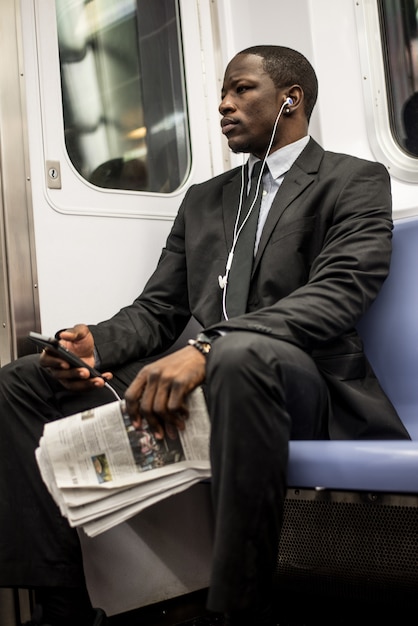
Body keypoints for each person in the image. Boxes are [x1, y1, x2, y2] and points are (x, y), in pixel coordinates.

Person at [0, 45, 410, 626]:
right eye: (223, 91)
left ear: (290, 99)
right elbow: (159, 309)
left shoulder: (353, 180)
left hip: (303, 382)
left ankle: (238, 608)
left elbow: (339, 293)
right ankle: (61, 602)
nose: (223, 104)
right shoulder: (205, 199)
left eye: (241, 89)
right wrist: (98, 345)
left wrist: (207, 348)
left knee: (238, 356)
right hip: (219, 370)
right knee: (21, 382)